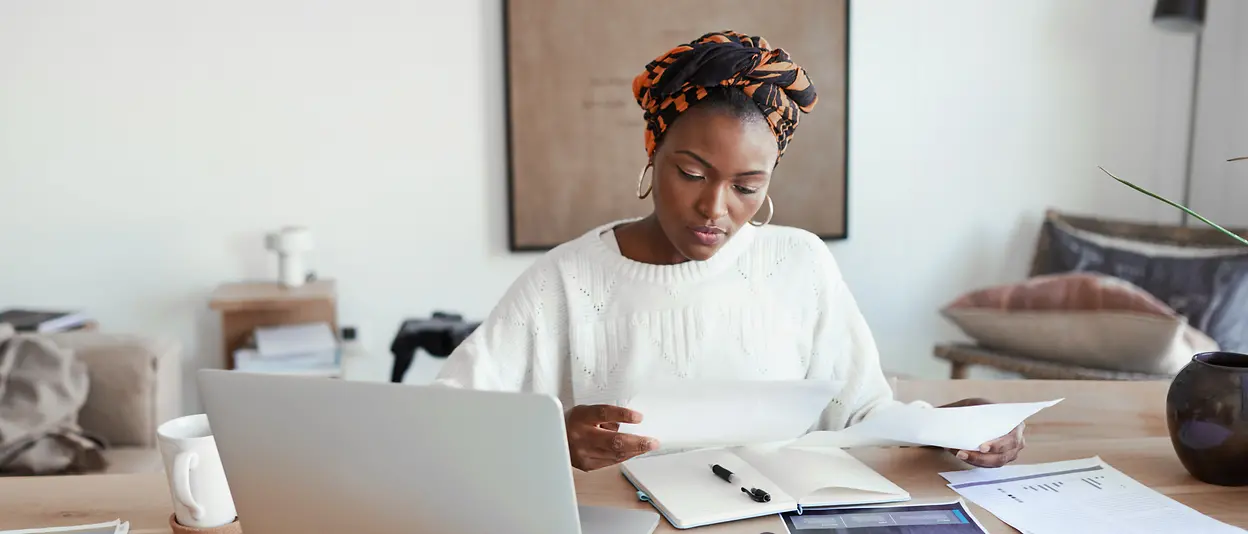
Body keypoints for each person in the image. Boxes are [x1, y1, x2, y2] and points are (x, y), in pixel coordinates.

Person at [435, 31, 1024, 472]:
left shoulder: (801, 263)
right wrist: (551, 440)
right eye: (691, 172)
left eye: (747, 187)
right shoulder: (567, 280)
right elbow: (445, 420)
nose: (715, 208)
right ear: (653, 153)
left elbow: (861, 412)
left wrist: (949, 426)